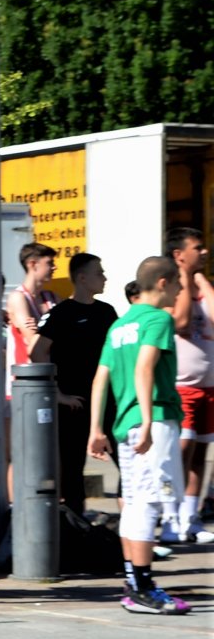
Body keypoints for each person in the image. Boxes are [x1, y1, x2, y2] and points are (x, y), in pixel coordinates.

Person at [88, 256, 193, 615]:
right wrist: (148, 420)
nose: (181, 291)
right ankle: (144, 587)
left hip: (123, 425)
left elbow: (100, 378)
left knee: (134, 502)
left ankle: (134, 583)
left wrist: (96, 429)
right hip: (154, 420)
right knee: (148, 503)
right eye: (178, 284)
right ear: (163, 282)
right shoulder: (157, 319)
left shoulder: (119, 325)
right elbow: (146, 366)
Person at [31, 254, 117, 517]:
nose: (104, 277)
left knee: (129, 463)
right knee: (72, 470)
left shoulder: (106, 312)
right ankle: (76, 526)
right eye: (99, 272)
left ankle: (135, 531)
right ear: (82, 278)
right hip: (74, 404)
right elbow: (37, 353)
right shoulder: (60, 314)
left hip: (106, 402)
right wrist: (57, 394)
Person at [163, 227, 214, 543]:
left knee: (199, 455)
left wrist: (201, 281)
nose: (205, 252)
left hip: (208, 386)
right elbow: (180, 323)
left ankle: (189, 520)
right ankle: (170, 519)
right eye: (198, 248)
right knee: (177, 455)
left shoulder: (199, 287)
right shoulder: (171, 287)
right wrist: (184, 278)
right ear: (179, 254)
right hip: (181, 386)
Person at [6, 242, 60, 387]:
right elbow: (34, 342)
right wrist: (54, 332)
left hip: (52, 377)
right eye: (50, 263)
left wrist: (40, 329)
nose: (54, 267)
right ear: (33, 264)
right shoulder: (18, 297)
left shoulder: (53, 298)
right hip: (26, 380)